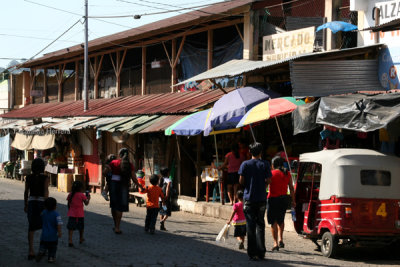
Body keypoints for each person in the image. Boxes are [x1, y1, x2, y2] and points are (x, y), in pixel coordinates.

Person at [238, 142, 272, 261]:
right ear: (260, 152)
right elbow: (268, 180)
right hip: (262, 198)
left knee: (250, 226)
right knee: (260, 225)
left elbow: (241, 181)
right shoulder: (265, 164)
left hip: (249, 198)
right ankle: (261, 251)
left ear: (250, 152)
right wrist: (262, 184)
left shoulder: (245, 164)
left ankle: (252, 253)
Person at [267, 156, 295, 251]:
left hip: (273, 199)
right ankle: (281, 239)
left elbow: (266, 184)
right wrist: (293, 200)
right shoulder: (287, 174)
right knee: (281, 220)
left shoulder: (271, 173)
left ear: (273, 164)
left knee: (273, 222)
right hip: (283, 200)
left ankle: (275, 243)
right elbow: (291, 188)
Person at [108, 148, 139, 234]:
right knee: (120, 207)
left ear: (119, 155)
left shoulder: (113, 163)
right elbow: (133, 178)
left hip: (113, 185)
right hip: (124, 186)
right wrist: (139, 185)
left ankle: (115, 225)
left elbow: (106, 172)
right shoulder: (130, 164)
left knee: (114, 206)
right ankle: (117, 227)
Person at [24, 158, 49, 260]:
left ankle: (31, 251)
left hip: (31, 202)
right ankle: (42, 249)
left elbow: (26, 192)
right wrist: (47, 206)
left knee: (31, 227)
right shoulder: (46, 178)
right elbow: (46, 192)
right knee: (44, 226)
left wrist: (25, 204)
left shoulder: (28, 177)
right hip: (41, 203)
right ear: (42, 167)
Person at [35, 197, 62, 263]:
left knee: (43, 245)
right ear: (55, 206)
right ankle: (51, 257)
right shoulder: (57, 214)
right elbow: (59, 224)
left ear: (45, 206)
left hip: (44, 235)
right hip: (53, 236)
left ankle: (41, 251)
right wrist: (59, 232)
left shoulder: (44, 212)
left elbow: (40, 216)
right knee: (53, 248)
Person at [66, 181, 90, 247]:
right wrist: (88, 198)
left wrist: (70, 210)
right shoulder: (81, 195)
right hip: (80, 214)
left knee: (71, 228)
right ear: (81, 188)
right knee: (81, 227)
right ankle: (81, 238)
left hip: (72, 214)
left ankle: (70, 240)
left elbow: (68, 204)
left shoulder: (70, 194)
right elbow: (86, 203)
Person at [159, 167, 172, 231]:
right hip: (165, 199)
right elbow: (167, 188)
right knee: (167, 212)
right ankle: (162, 221)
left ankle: (162, 226)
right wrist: (167, 195)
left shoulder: (161, 179)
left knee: (162, 212)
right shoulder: (168, 180)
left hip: (160, 199)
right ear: (167, 173)